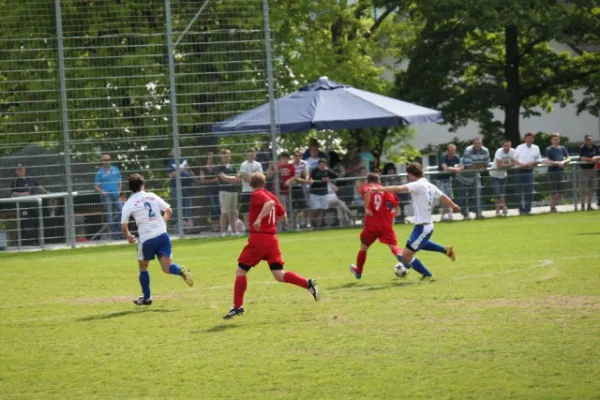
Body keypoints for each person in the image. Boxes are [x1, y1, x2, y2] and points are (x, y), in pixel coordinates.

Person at [223, 172, 320, 319]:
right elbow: (283, 216)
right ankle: (307, 283)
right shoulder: (272, 194)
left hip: (259, 239)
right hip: (272, 239)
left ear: (250, 184)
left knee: (240, 271)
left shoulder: (257, 195)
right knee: (279, 274)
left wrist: (259, 219)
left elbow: (269, 204)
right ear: (264, 183)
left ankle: (237, 307)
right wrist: (270, 222)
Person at [369, 162, 459, 281]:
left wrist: (378, 189)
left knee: (406, 255)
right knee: (421, 244)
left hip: (423, 228)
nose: (408, 178)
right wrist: (453, 206)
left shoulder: (417, 185)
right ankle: (445, 250)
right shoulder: (429, 185)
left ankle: (428, 275)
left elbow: (398, 189)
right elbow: (443, 197)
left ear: (411, 174)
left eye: (408, 175)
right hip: (425, 226)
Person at [120, 173, 194, 306]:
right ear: (143, 185)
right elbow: (169, 211)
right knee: (167, 267)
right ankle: (181, 271)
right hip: (162, 235)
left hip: (147, 238)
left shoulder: (129, 203)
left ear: (131, 188)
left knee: (143, 267)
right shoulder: (152, 196)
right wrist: (163, 221)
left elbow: (124, 226)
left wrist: (129, 236)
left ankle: (147, 298)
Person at [348, 173, 403, 279]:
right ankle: (399, 256)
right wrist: (394, 213)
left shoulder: (365, 187)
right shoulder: (384, 189)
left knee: (364, 247)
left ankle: (358, 272)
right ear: (378, 181)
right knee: (393, 246)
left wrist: (366, 208)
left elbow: (367, 194)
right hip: (385, 223)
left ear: (367, 181)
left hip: (371, 224)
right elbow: (395, 202)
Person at [9, 164, 49, 246]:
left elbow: (39, 186)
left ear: (24, 170)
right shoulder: (14, 181)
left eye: (22, 169)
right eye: (19, 170)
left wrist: (47, 193)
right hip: (23, 205)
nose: (21, 171)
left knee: (37, 221)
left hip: (34, 204)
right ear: (16, 171)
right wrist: (24, 194)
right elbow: (12, 193)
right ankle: (25, 242)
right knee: (26, 222)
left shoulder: (30, 178)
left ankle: (37, 240)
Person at [456, 137, 489, 219]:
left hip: (475, 176)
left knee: (477, 195)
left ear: (482, 144)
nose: (478, 145)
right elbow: (468, 165)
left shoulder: (485, 150)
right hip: (463, 177)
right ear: (473, 144)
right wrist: (480, 165)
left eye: (479, 143)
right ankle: (465, 215)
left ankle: (478, 214)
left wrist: (476, 166)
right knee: (463, 197)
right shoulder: (468, 150)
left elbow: (486, 164)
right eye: (476, 143)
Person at [94, 154, 123, 238]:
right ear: (102, 161)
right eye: (105, 160)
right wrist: (103, 192)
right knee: (109, 215)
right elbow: (96, 186)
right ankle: (115, 235)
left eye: (108, 159)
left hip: (116, 194)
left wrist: (119, 191)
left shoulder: (116, 169)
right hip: (107, 196)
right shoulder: (99, 172)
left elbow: (120, 181)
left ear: (110, 160)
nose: (106, 161)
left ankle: (119, 232)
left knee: (121, 212)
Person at [167, 149, 196, 232]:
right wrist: (181, 170)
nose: (177, 153)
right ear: (172, 154)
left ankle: (191, 227)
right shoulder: (171, 162)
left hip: (187, 186)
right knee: (177, 207)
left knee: (188, 206)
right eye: (175, 152)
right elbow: (170, 175)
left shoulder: (184, 160)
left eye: (178, 151)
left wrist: (189, 171)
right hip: (176, 187)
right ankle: (179, 228)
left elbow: (189, 172)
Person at [514, 132, 542, 215]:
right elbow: (514, 159)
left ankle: (527, 209)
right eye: (528, 138)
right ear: (525, 139)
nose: (530, 140)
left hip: (529, 171)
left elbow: (539, 159)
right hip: (519, 170)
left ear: (533, 139)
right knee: (519, 191)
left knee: (529, 191)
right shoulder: (519, 147)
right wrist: (521, 165)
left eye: (531, 138)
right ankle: (520, 209)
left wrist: (531, 163)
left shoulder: (536, 148)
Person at [216, 149, 241, 237]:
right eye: (224, 156)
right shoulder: (219, 167)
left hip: (233, 191)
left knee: (233, 212)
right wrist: (233, 179)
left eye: (227, 155)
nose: (226, 157)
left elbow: (238, 178)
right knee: (224, 212)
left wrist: (231, 179)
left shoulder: (233, 167)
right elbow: (223, 178)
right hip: (224, 191)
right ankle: (223, 232)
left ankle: (234, 231)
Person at [543, 133, 571, 212]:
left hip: (561, 172)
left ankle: (552, 206)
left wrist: (563, 162)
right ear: (551, 140)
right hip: (552, 172)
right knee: (553, 191)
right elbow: (546, 160)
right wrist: (557, 163)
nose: (556, 141)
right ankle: (552, 208)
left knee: (561, 191)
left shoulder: (562, 148)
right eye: (554, 139)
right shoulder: (549, 149)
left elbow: (569, 158)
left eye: (557, 139)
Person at [490, 139, 517, 217]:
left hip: (503, 175)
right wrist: (510, 164)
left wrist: (509, 164)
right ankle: (501, 209)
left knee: (502, 194)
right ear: (502, 146)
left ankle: (500, 210)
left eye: (509, 145)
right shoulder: (499, 151)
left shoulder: (512, 151)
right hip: (494, 175)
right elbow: (499, 166)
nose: (507, 147)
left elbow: (513, 161)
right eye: (505, 145)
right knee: (497, 193)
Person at [309, 159, 338, 228]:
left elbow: (335, 175)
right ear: (318, 165)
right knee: (315, 208)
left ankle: (319, 224)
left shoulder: (327, 170)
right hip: (314, 192)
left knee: (322, 209)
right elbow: (311, 177)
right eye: (321, 165)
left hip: (324, 193)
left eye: (324, 165)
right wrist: (321, 178)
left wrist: (328, 177)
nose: (322, 166)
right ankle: (312, 222)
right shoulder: (314, 170)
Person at [287, 150, 312, 230]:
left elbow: (306, 174)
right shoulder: (290, 164)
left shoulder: (304, 163)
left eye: (299, 155)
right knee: (293, 207)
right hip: (291, 188)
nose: (297, 157)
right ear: (293, 156)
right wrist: (306, 181)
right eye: (295, 155)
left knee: (303, 207)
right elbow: (294, 178)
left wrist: (307, 178)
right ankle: (294, 225)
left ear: (301, 156)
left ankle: (298, 224)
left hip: (301, 188)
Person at [239, 149, 263, 230]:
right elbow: (245, 179)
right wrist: (254, 176)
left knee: (257, 210)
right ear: (246, 154)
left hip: (256, 191)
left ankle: (257, 227)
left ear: (254, 154)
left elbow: (260, 178)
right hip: (246, 191)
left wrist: (250, 176)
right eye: (249, 154)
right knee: (246, 211)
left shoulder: (258, 164)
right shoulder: (243, 164)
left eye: (252, 154)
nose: (251, 155)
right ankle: (247, 228)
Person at [437, 144, 462, 221]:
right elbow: (445, 168)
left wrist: (456, 168)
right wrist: (455, 169)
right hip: (440, 179)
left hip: (448, 179)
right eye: (450, 150)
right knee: (442, 197)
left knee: (449, 196)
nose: (452, 152)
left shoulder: (456, 157)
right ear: (447, 151)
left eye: (453, 150)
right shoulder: (443, 157)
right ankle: (444, 214)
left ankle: (449, 213)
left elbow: (461, 166)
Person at [199, 152, 221, 232]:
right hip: (209, 191)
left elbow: (219, 179)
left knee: (218, 208)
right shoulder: (203, 168)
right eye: (209, 157)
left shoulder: (216, 168)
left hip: (217, 190)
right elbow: (202, 180)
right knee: (213, 208)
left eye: (212, 157)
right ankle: (213, 226)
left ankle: (218, 225)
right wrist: (213, 180)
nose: (211, 159)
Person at [578, 135, 600, 211]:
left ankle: (589, 206)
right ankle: (583, 206)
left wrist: (596, 158)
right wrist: (592, 159)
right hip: (584, 170)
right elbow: (582, 158)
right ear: (585, 140)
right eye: (587, 140)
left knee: (592, 188)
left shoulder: (595, 147)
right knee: (583, 189)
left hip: (593, 169)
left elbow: (598, 155)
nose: (588, 141)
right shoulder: (582, 148)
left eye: (590, 139)